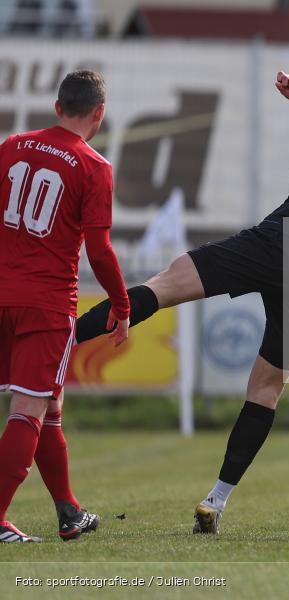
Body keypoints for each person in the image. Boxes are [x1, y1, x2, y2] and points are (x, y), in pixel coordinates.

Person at [74, 65, 289, 534]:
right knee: (266, 389)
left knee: (164, 285)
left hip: (280, 244)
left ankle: (47, 350)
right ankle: (215, 501)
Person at [0, 70, 130, 543]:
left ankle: (69, 511)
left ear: (57, 107)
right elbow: (99, 250)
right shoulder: (93, 166)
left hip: (2, 295)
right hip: (46, 305)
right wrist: (121, 304)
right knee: (28, 411)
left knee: (50, 407)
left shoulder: (12, 146)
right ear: (99, 114)